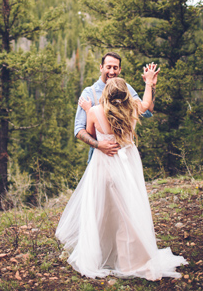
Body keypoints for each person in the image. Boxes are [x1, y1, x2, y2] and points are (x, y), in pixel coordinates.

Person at [55, 77, 186, 280]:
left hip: (103, 165)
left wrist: (90, 108)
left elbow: (91, 135)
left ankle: (100, 254)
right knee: (128, 210)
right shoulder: (132, 108)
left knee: (101, 208)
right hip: (127, 165)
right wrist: (149, 83)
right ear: (126, 94)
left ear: (106, 94)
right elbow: (146, 104)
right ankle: (130, 259)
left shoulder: (94, 111)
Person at [73, 52, 157, 161]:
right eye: (108, 67)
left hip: (125, 156)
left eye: (115, 68)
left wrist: (152, 86)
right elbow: (79, 130)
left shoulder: (126, 88)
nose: (112, 72)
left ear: (120, 69)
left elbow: (147, 111)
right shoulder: (89, 93)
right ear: (101, 68)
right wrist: (98, 145)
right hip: (99, 157)